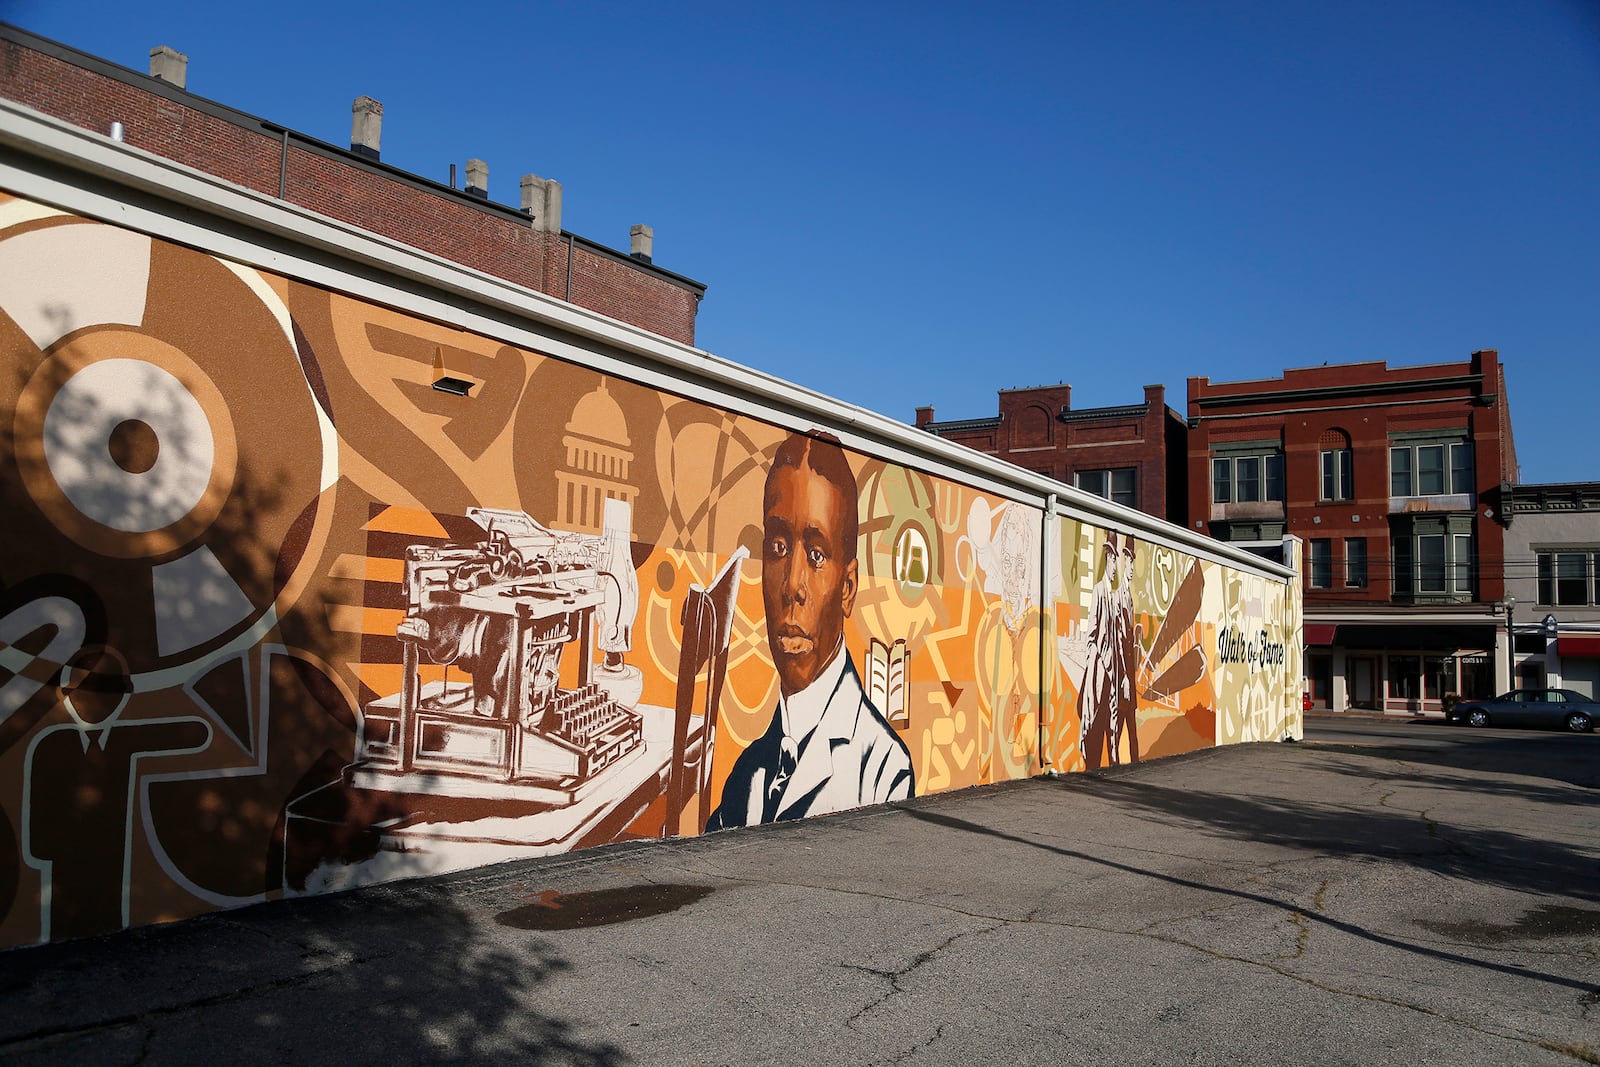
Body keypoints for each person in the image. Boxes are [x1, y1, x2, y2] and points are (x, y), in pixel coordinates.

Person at [707, 431, 913, 828]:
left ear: (848, 589)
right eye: (778, 548)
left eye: (817, 555)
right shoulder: (748, 773)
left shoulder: (883, 772)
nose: (792, 586)